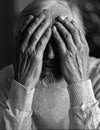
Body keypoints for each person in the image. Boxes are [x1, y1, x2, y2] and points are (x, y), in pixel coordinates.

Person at [0, 0, 100, 129]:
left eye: (61, 41)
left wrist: (79, 83)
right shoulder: (3, 82)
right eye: (40, 41)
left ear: (80, 42)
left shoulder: (97, 75)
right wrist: (22, 85)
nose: (50, 55)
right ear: (21, 43)